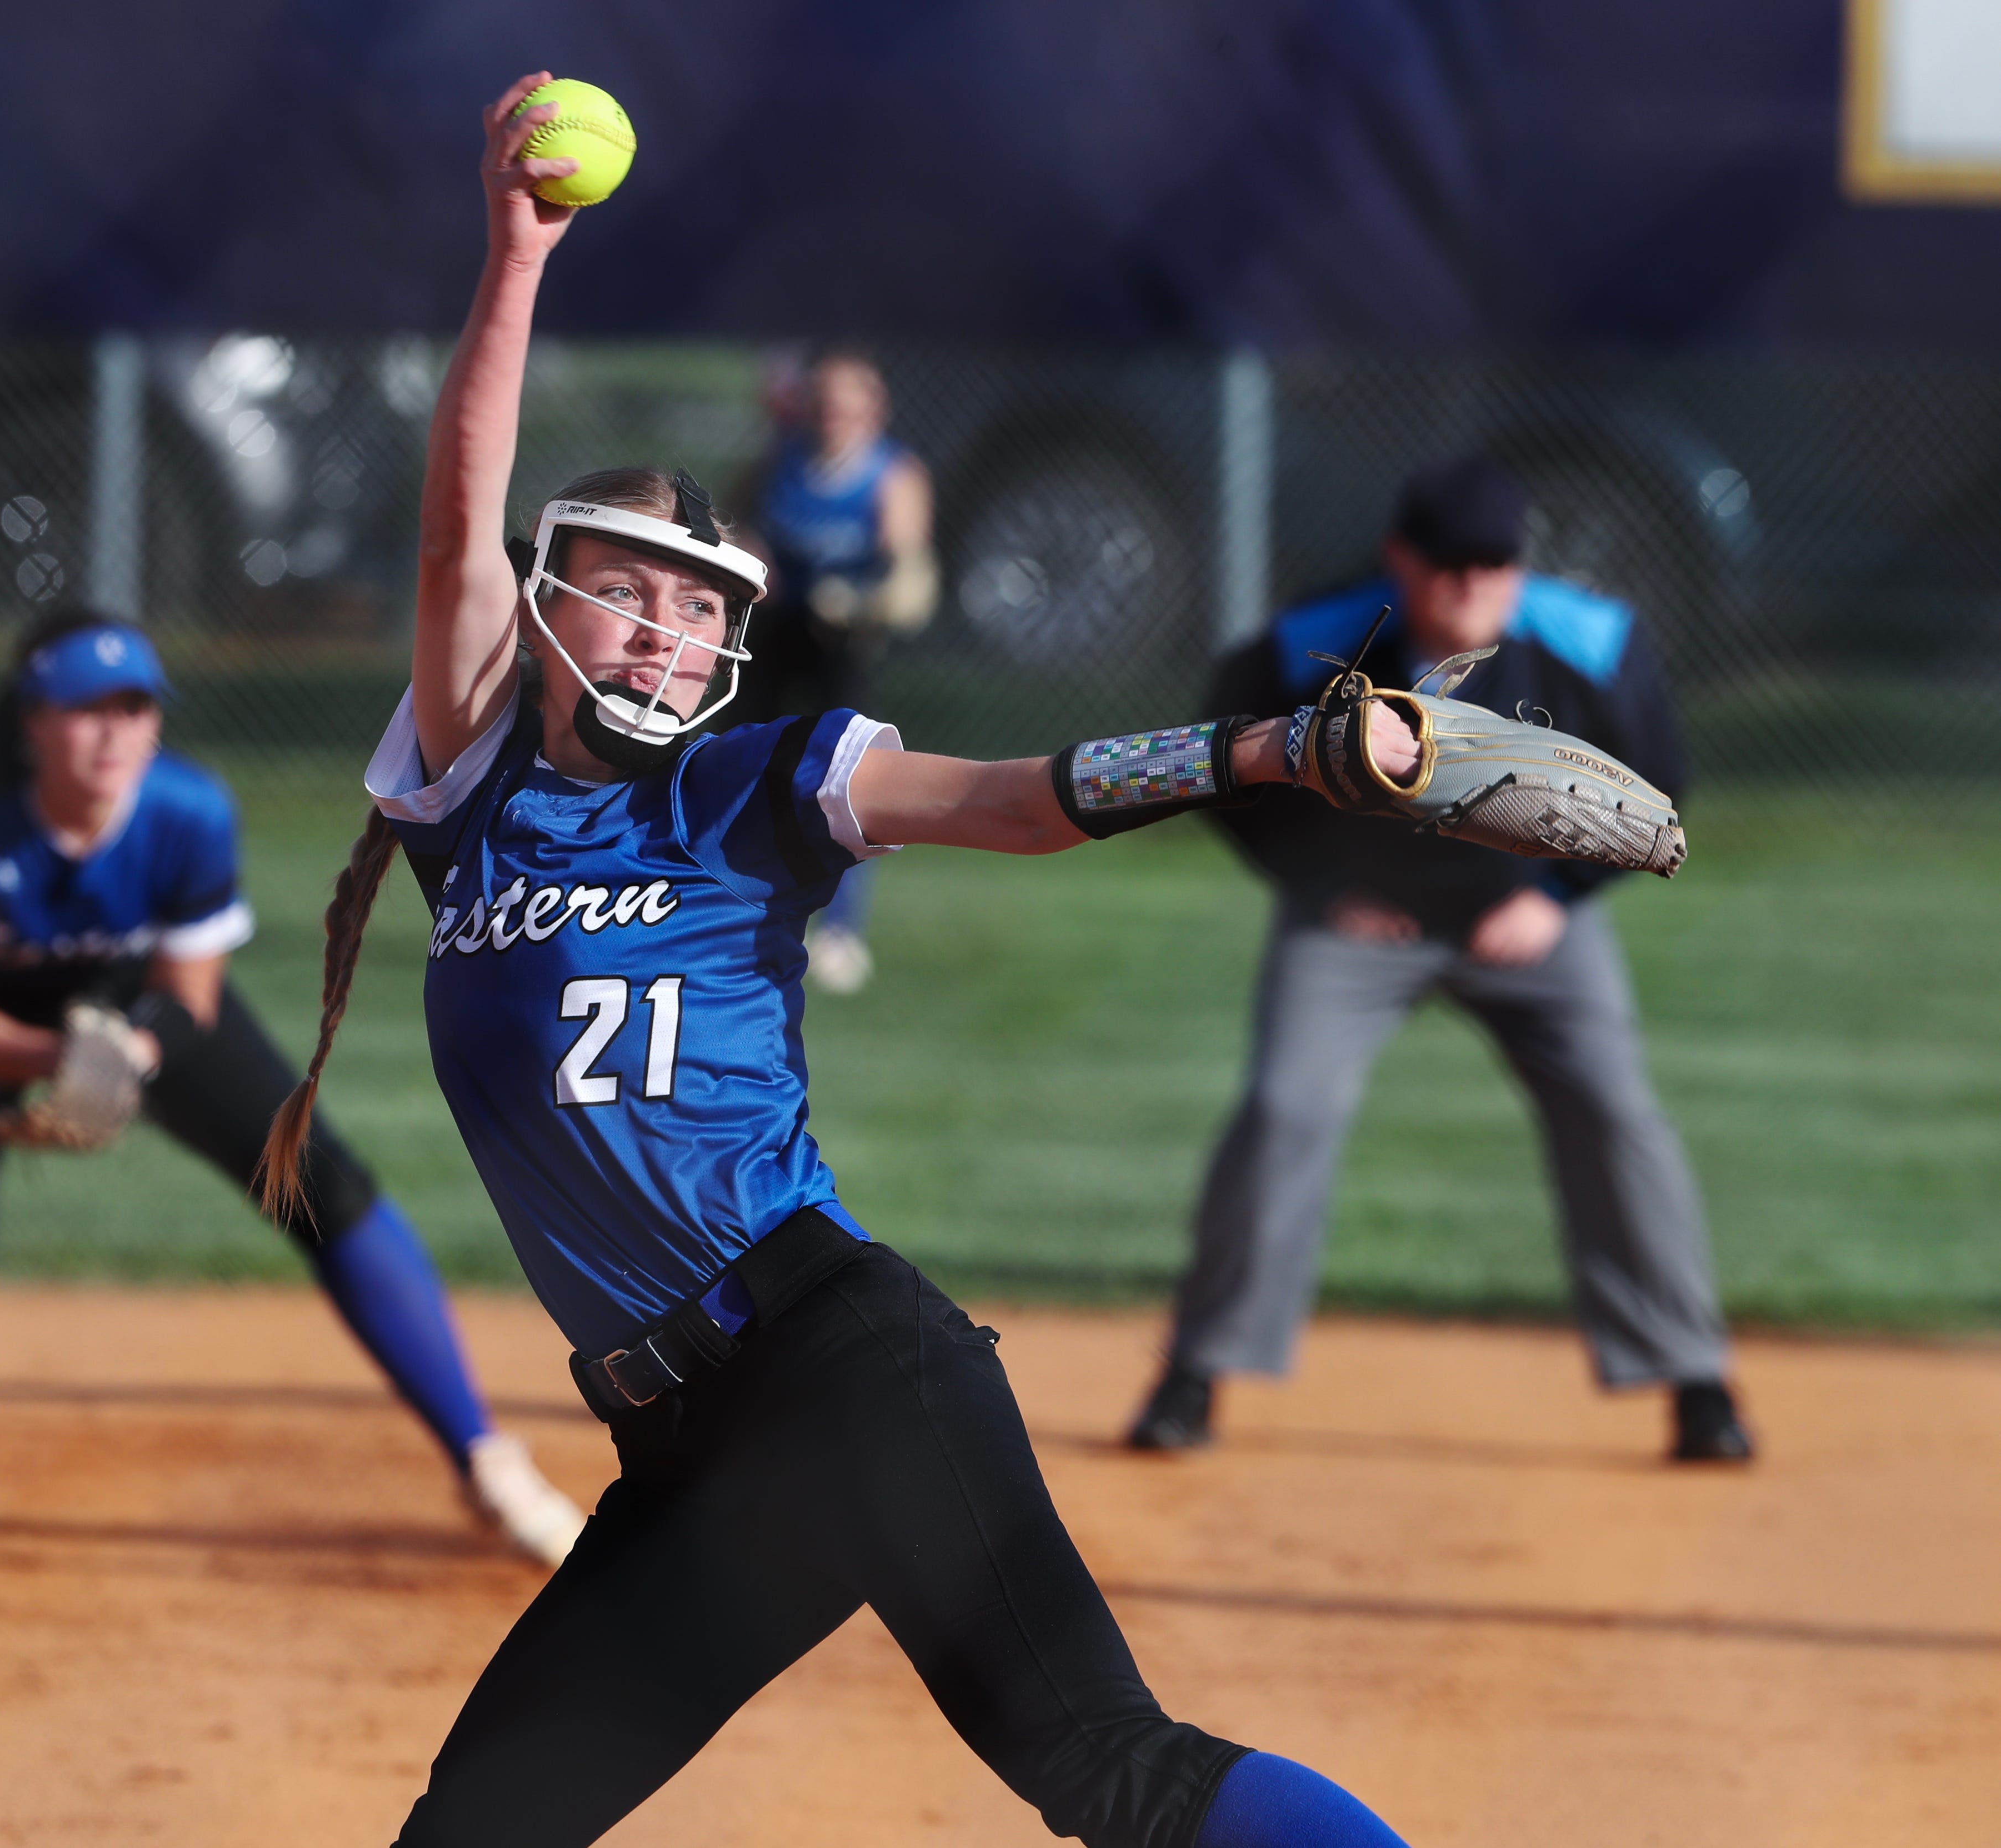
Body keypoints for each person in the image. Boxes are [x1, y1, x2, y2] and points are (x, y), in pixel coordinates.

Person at [258, 74, 1437, 1848]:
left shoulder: (758, 783)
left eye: (705, 604)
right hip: (691, 1455)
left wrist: (1253, 751)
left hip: (842, 1361)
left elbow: (1011, 801)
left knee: (1104, 1764)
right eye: (634, 585)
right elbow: (451, 523)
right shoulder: (471, 792)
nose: (674, 625)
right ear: (549, 596)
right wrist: (513, 260)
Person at [0, 605, 587, 1592]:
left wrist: (133, 1056)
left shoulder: (187, 810)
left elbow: (191, 994)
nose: (114, 732)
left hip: (142, 1003)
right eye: (84, 709)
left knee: (319, 1179)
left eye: (136, 708)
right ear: (31, 720)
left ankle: (487, 1459)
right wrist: (62, 1056)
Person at [1125, 454, 1755, 1465]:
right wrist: (1327, 893)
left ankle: (1697, 1380)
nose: (1474, 583)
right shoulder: (1320, 642)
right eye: (1451, 563)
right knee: (1288, 1105)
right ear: (1400, 561)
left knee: (1617, 1110)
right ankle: (1196, 1368)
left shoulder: (1592, 640)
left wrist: (1555, 896)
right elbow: (1218, 765)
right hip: (1361, 928)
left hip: (1530, 921)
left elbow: (1658, 789)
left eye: (1495, 562)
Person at [731, 343, 937, 993]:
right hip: (775, 634)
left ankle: (841, 929)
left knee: (845, 781)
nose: (834, 419)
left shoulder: (891, 475)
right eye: (823, 405)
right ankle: (742, 908)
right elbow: (732, 529)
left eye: (849, 407)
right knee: (752, 766)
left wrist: (860, 601)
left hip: (844, 644)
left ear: (875, 412)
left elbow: (908, 575)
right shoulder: (779, 463)